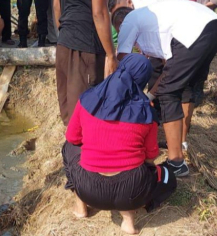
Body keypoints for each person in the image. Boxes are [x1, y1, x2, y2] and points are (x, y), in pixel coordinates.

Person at [63, 54, 177, 235]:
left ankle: (80, 206)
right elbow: (150, 156)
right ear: (142, 81)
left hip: (88, 188)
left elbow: (72, 138)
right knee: (167, 177)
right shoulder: (146, 111)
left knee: (69, 148)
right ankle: (129, 221)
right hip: (132, 191)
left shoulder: (88, 99)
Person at [112, 0, 217, 177]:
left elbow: (122, 59)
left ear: (119, 25)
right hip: (215, 26)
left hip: (193, 31)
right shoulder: (154, 24)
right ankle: (181, 143)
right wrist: (148, 97)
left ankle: (176, 162)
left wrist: (117, 96)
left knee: (168, 94)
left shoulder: (127, 20)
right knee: (186, 86)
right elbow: (168, 72)